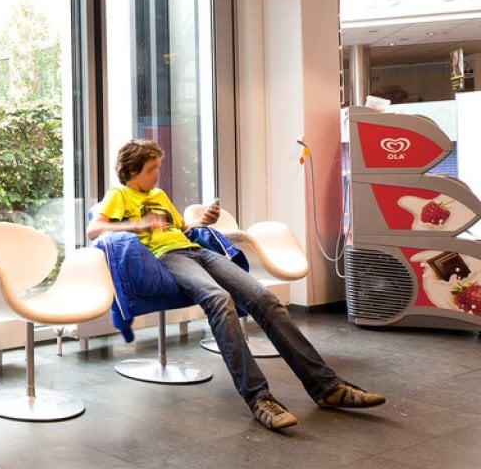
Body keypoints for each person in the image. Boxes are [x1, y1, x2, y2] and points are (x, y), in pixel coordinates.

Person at [88, 139, 385, 431]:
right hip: (167, 258)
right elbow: (94, 229)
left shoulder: (160, 195)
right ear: (133, 170)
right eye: (152, 168)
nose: (157, 173)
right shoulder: (119, 194)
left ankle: (326, 386)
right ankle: (258, 397)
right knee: (218, 299)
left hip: (196, 251)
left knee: (264, 297)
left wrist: (205, 220)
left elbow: (182, 229)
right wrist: (137, 224)